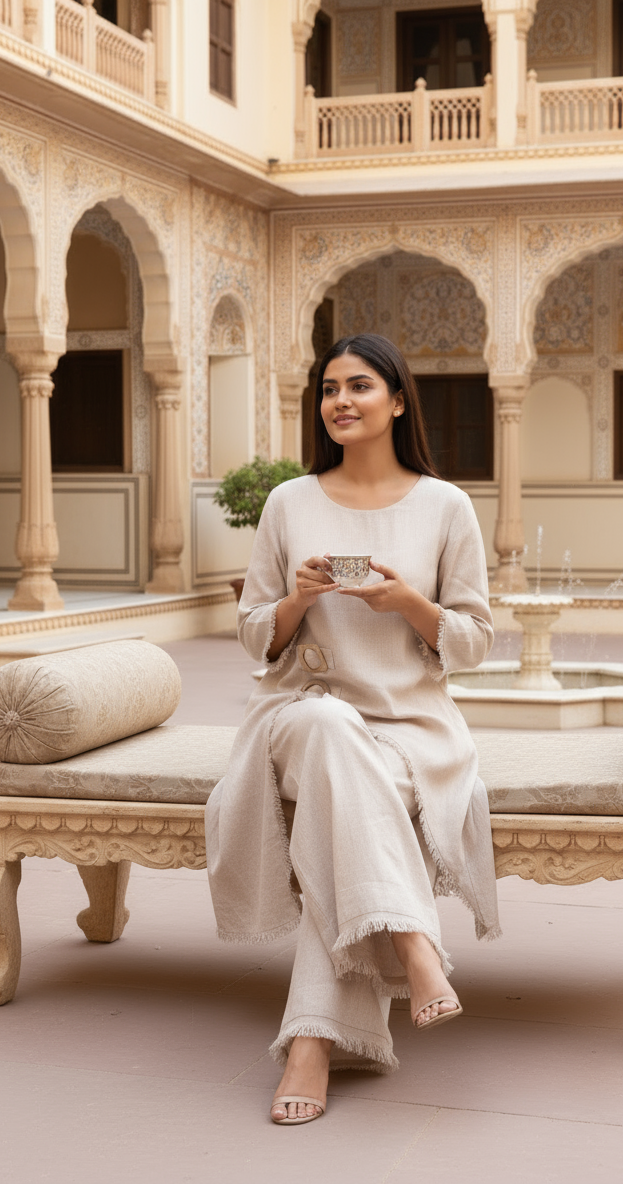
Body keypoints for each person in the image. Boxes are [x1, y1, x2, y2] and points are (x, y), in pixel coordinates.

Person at [205, 333, 499, 1126]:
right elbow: (254, 635)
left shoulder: (446, 506)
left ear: (398, 401)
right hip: (299, 717)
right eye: (329, 388)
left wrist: (408, 603)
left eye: (359, 386)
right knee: (330, 723)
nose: (340, 400)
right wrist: (297, 600)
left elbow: (475, 640)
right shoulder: (289, 502)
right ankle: (413, 943)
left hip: (409, 731)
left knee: (344, 815)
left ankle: (311, 1042)